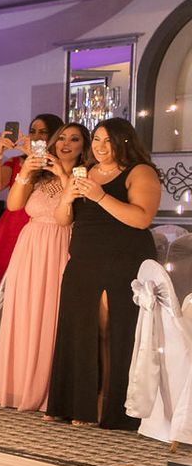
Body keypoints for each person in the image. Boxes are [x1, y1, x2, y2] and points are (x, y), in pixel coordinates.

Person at [49, 118, 161, 430]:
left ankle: (115, 409)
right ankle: (79, 404)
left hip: (122, 259)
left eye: (107, 141)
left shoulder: (141, 172)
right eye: (96, 140)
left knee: (114, 331)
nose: (99, 147)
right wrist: (69, 197)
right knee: (81, 330)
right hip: (83, 260)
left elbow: (141, 218)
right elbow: (62, 220)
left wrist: (99, 196)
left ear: (124, 142)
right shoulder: (84, 172)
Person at [0, 122, 85, 414]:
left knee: (51, 313)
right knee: (25, 311)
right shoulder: (39, 177)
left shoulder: (84, 175)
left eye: (75, 139)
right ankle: (19, 385)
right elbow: (15, 206)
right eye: (62, 138)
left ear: (84, 146)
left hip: (61, 246)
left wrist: (64, 174)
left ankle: (47, 389)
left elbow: (69, 215)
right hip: (30, 247)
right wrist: (26, 173)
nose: (66, 144)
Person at [0, 114, 65, 288]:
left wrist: (36, 158)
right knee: (4, 292)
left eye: (43, 132)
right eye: (33, 131)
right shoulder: (17, 162)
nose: (36, 136)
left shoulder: (60, 166)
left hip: (43, 233)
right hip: (8, 232)